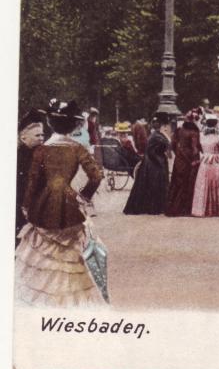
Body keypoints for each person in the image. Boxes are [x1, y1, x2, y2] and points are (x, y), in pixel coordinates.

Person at [16, 99, 105, 306]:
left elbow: (33, 181)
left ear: (50, 124)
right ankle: (68, 297)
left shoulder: (41, 150)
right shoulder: (77, 148)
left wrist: (27, 206)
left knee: (43, 251)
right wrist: (83, 197)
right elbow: (96, 176)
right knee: (70, 251)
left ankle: (46, 297)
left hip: (43, 205)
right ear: (73, 126)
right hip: (70, 202)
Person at [123, 113, 172, 215]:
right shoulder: (157, 136)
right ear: (164, 125)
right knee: (155, 184)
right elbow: (155, 150)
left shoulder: (157, 135)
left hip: (151, 162)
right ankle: (155, 207)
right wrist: (161, 160)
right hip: (153, 163)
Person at [191, 113, 219, 217]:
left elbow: (200, 149)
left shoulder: (202, 137)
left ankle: (203, 208)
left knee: (204, 183)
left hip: (205, 162)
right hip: (215, 162)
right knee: (218, 184)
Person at [16, 109, 46, 248]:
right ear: (24, 138)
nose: (41, 138)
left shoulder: (41, 155)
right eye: (37, 135)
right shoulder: (19, 158)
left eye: (43, 135)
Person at [165, 111, 201, 217]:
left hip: (179, 160)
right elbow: (195, 149)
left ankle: (172, 208)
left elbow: (172, 145)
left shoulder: (179, 130)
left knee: (177, 183)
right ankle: (184, 209)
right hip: (189, 161)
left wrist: (178, 154)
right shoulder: (194, 132)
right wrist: (195, 159)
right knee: (188, 183)